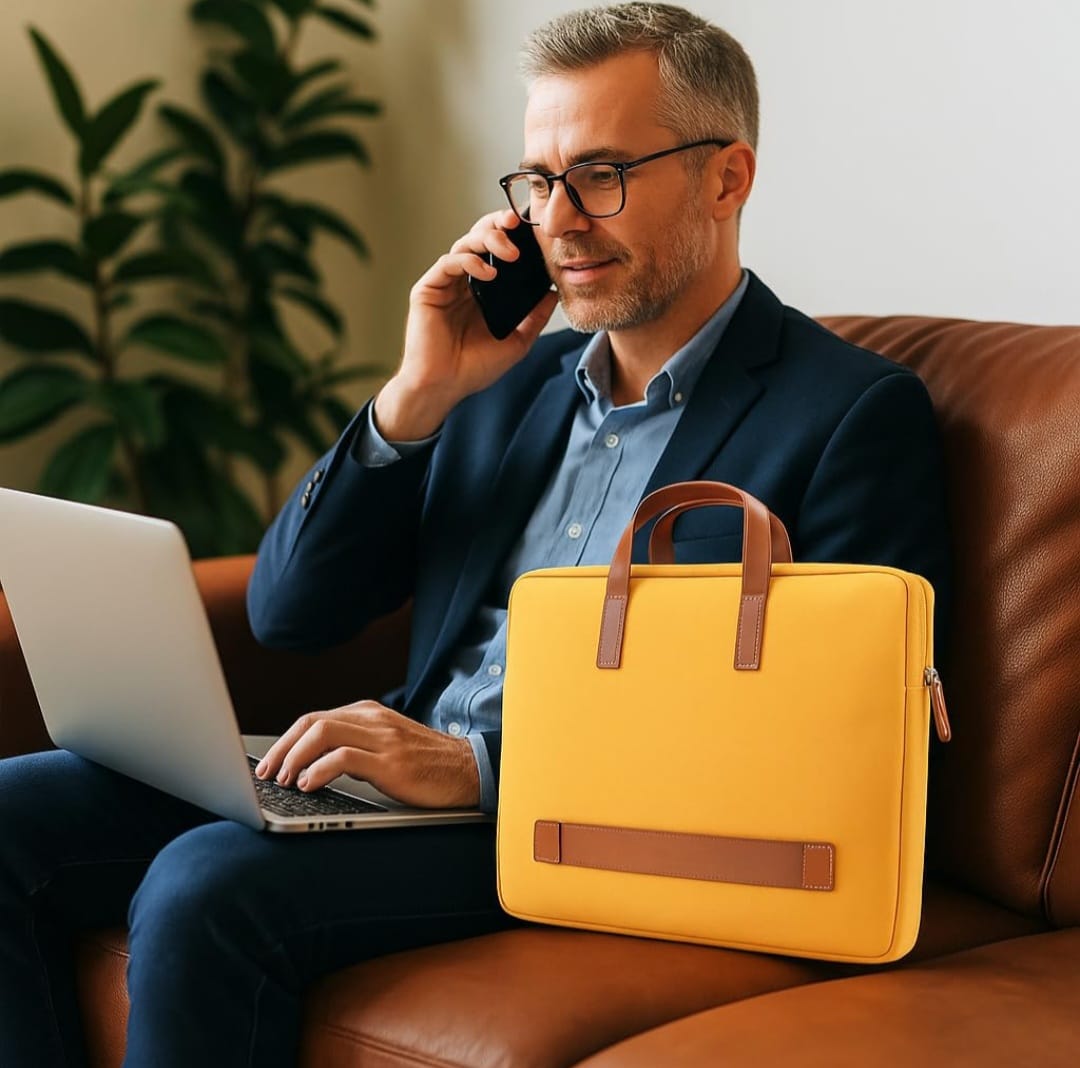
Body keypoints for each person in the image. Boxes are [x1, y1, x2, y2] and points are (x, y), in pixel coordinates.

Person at [0, 3, 951, 1065]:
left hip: (573, 828)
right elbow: (289, 614)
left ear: (727, 178)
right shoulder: (507, 381)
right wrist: (415, 396)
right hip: (401, 789)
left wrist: (482, 767)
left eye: (602, 174)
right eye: (538, 182)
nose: (560, 219)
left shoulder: (851, 414)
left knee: (201, 885)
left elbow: (835, 747)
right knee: (7, 809)